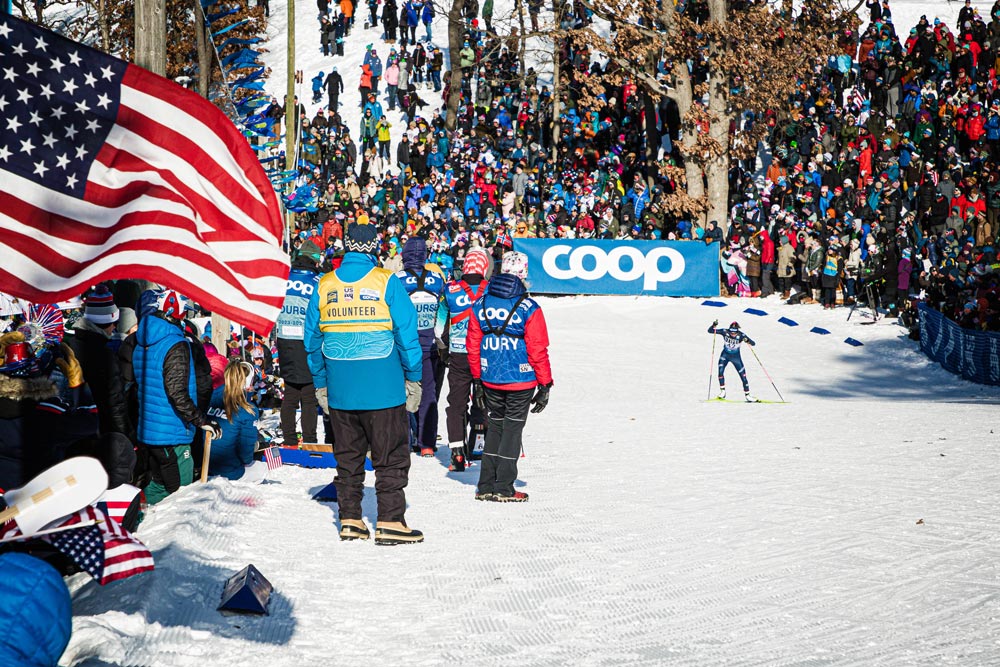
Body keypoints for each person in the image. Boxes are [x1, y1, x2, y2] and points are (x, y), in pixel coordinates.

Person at [305, 223, 425, 544]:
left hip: (342, 390)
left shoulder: (324, 285)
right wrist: (413, 378)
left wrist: (321, 384)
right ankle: (390, 521)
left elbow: (313, 341)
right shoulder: (387, 282)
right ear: (375, 248)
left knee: (348, 460)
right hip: (383, 390)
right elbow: (407, 336)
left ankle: (350, 520)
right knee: (391, 457)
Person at [466, 251, 552, 502]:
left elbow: (473, 345)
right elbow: (537, 349)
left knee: (495, 429)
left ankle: (485, 485)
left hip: (490, 377)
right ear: (524, 274)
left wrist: (477, 379)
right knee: (512, 431)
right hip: (521, 379)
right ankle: (504, 486)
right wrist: (545, 384)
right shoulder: (529, 307)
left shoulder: (480, 303)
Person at [133, 290, 221, 505]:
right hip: (171, 432)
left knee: (159, 486)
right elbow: (176, 391)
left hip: (149, 429)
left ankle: (138, 522)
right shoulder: (174, 343)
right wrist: (201, 421)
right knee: (181, 495)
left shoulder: (142, 339)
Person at [395, 237, 446, 457]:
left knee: (402, 392)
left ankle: (404, 440)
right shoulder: (437, 279)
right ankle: (426, 442)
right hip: (430, 345)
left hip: (404, 346)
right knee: (428, 394)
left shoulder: (396, 279)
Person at [442, 248, 492, 471]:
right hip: (484, 354)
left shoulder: (450, 289)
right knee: (483, 399)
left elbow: (439, 328)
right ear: (483, 267)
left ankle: (457, 455)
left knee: (456, 404)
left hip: (459, 354)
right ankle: (478, 446)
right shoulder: (491, 290)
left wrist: (444, 351)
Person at [277, 240, 323, 447]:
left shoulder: (283, 278)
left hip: (284, 338)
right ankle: (310, 440)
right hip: (306, 340)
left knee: (290, 392)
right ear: (315, 260)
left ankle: (289, 439)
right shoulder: (317, 281)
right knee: (308, 395)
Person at [207, 361, 263, 481]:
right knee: (263, 468)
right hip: (229, 470)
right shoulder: (248, 410)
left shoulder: (212, 396)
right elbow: (246, 455)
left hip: (204, 464)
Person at [707, 320, 756, 402]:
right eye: (731, 332)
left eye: (735, 332)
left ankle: (748, 396)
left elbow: (753, 343)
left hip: (736, 357)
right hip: (725, 355)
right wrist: (713, 325)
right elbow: (710, 331)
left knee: (743, 376)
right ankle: (723, 392)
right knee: (720, 372)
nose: (733, 334)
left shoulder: (741, 335)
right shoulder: (724, 331)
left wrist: (747, 340)